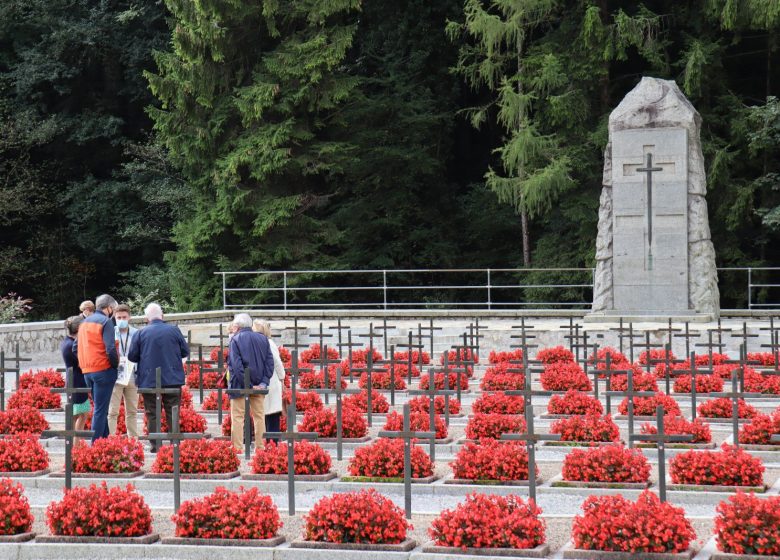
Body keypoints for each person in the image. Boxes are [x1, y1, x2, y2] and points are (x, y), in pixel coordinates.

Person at [128, 302, 189, 452]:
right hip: (172, 378)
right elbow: (184, 352)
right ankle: (175, 443)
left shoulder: (140, 333)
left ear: (146, 318)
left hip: (149, 380)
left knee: (152, 412)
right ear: (162, 315)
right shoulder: (174, 331)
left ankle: (156, 445)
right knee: (173, 410)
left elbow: (132, 357)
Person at [75, 294, 118, 442]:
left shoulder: (84, 323)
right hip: (103, 370)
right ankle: (96, 446)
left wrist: (85, 361)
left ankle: (105, 441)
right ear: (109, 308)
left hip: (87, 371)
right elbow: (111, 349)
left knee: (101, 408)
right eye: (113, 308)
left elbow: (75, 348)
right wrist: (115, 366)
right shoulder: (106, 322)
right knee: (100, 410)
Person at [228, 313, 274, 452]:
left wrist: (247, 385)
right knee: (259, 416)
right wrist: (264, 382)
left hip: (239, 385)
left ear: (237, 326)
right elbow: (269, 363)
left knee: (237, 417)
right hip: (259, 384)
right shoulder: (263, 339)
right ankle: (260, 447)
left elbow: (236, 366)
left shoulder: (235, 340)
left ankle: (237, 448)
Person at [107, 304, 139, 437]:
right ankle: (111, 440)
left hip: (132, 372)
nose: (121, 319)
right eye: (119, 317)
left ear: (129, 317)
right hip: (116, 373)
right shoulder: (110, 332)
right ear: (115, 317)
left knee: (132, 411)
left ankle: (133, 440)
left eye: (124, 317)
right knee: (112, 411)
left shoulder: (137, 333)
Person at [252, 319, 286, 442]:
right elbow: (277, 363)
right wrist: (282, 377)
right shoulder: (268, 342)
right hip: (270, 381)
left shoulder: (261, 343)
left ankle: (270, 442)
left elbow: (275, 362)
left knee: (268, 413)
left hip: (266, 381)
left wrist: (282, 377)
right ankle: (272, 443)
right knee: (271, 414)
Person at [60, 315, 91, 444]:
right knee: (81, 414)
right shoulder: (72, 344)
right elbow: (81, 361)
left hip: (74, 379)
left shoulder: (67, 342)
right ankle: (76, 442)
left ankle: (74, 441)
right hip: (77, 380)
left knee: (77, 413)